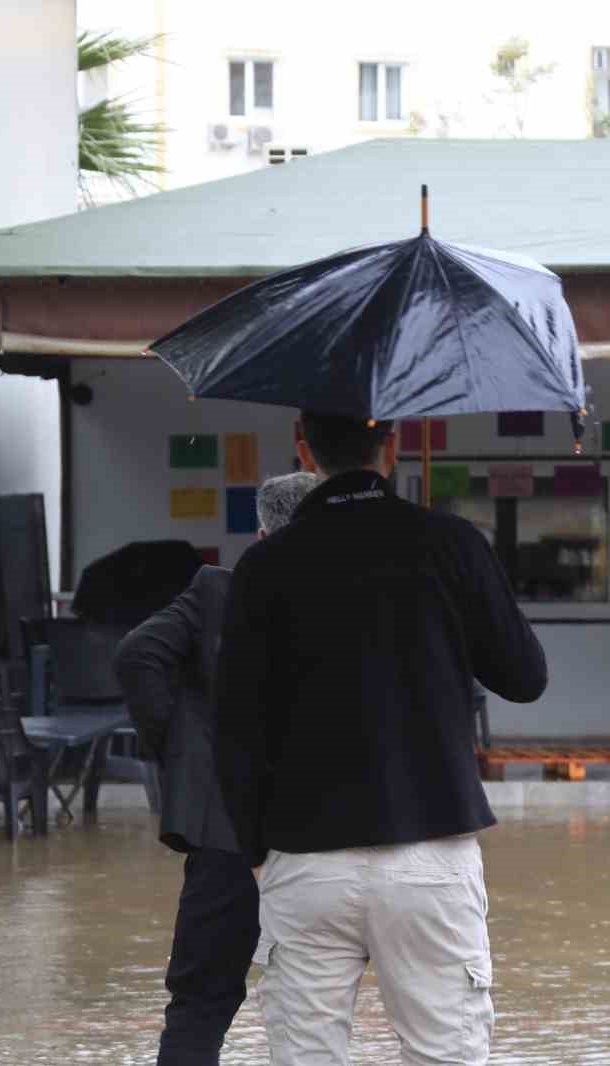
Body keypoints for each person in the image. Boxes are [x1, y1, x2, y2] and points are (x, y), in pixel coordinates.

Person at [215, 412, 548, 1066]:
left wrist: (260, 854)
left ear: (304, 448)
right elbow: (525, 678)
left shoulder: (264, 566)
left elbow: (234, 729)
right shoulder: (450, 544)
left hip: (304, 859)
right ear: (392, 445)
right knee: (444, 1055)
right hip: (432, 850)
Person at [114, 471, 317, 1066]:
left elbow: (137, 655)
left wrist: (180, 749)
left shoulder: (215, 590)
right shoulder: (349, 600)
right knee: (316, 1005)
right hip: (323, 839)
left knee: (199, 1002)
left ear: (260, 534)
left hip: (226, 830)